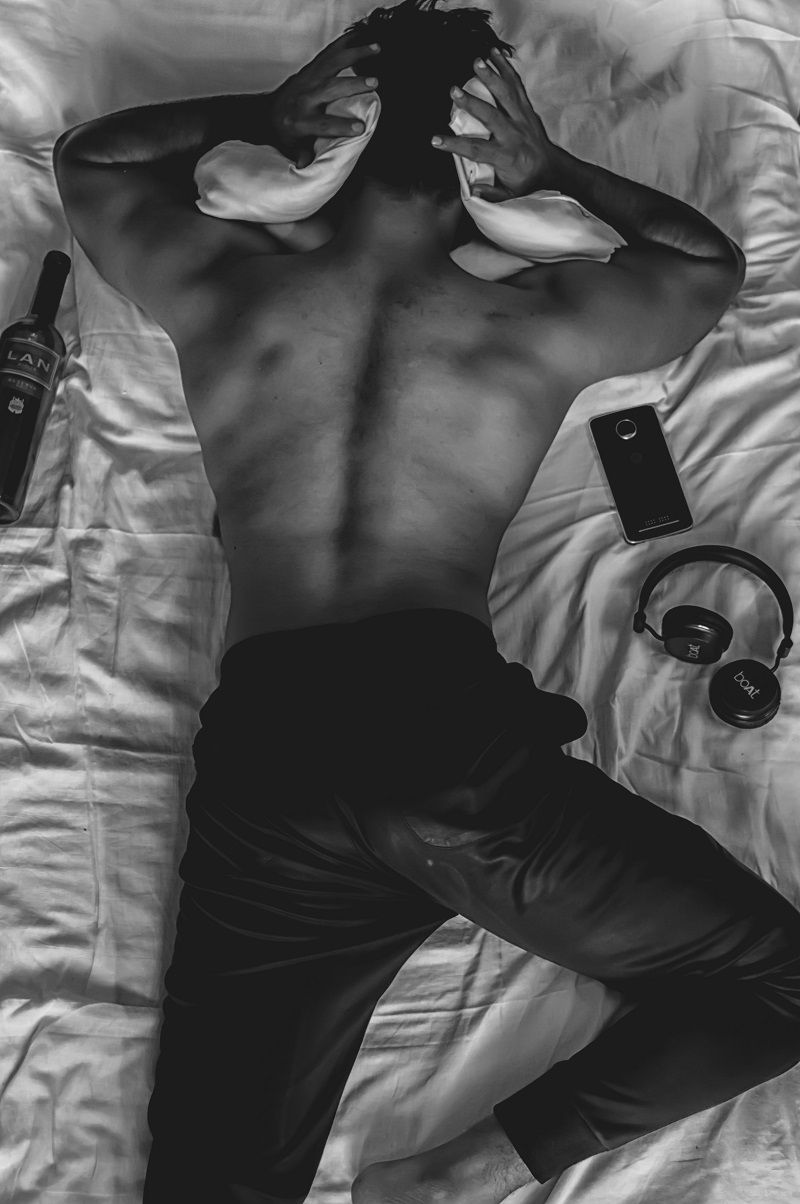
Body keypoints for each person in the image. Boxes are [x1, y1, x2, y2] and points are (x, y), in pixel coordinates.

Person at [52, 2, 800, 1202]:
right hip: (441, 744)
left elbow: (90, 163)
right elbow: (702, 266)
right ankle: (460, 1175)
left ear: (330, 145)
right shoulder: (532, 316)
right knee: (777, 984)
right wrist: (551, 169)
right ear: (477, 166)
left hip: (272, 759)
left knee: (211, 1183)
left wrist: (267, 115)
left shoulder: (221, 283)